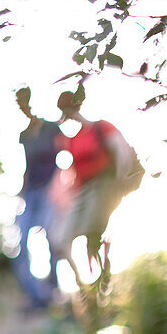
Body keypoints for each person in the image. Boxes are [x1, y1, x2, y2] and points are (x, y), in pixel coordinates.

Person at [53, 87, 135, 286]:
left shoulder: (100, 127)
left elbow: (121, 150)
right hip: (82, 191)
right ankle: (83, 284)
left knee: (93, 231)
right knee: (60, 240)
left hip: (104, 185)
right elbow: (72, 173)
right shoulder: (70, 140)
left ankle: (101, 278)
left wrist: (121, 179)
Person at [12, 86, 61, 310]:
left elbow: (63, 156)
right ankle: (36, 297)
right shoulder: (24, 135)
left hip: (50, 189)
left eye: (24, 100)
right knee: (21, 244)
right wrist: (21, 194)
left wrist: (58, 187)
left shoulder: (51, 128)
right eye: (18, 102)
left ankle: (54, 291)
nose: (22, 105)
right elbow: (27, 167)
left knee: (51, 238)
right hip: (30, 192)